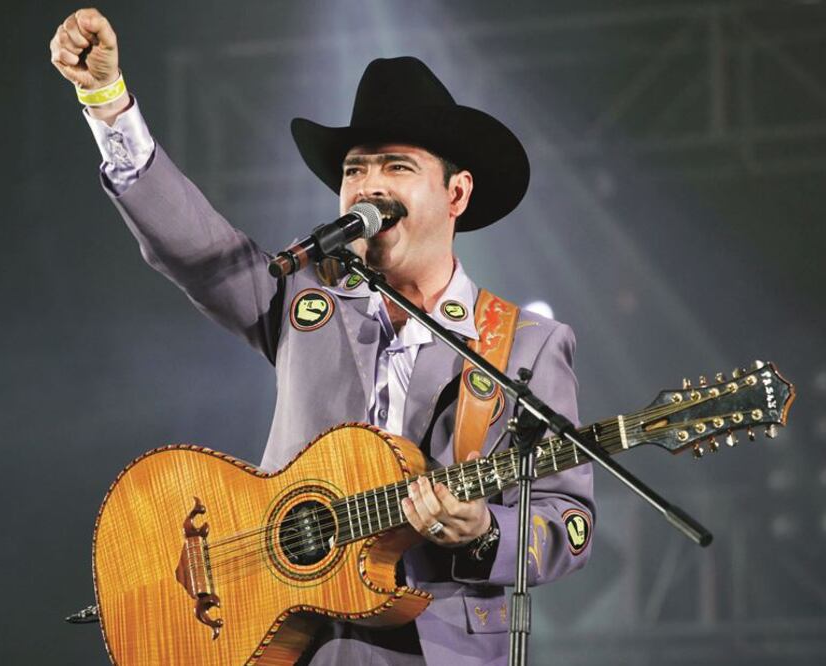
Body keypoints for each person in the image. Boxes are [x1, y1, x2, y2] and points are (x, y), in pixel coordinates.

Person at [51, 8, 595, 665]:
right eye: (354, 171)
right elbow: (197, 250)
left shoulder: (525, 345)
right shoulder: (307, 299)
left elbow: (569, 520)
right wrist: (107, 102)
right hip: (289, 639)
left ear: (456, 193)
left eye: (396, 167)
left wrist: (484, 531)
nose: (367, 185)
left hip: (437, 648)